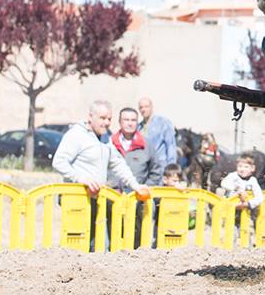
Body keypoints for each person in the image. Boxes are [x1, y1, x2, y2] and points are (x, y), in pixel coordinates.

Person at [52, 101, 150, 251]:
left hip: (97, 199)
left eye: (109, 119)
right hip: (77, 200)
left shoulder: (105, 139)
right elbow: (59, 162)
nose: (107, 122)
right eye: (102, 118)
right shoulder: (76, 135)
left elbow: (118, 163)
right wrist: (81, 179)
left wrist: (135, 185)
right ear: (90, 117)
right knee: (77, 245)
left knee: (98, 245)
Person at [110, 106, 163, 246]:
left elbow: (156, 169)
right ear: (119, 122)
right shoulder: (109, 143)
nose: (129, 123)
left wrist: (146, 187)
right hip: (112, 196)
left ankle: (138, 250)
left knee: (139, 226)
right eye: (126, 120)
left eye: (133, 120)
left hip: (138, 197)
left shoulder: (146, 145)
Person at [138, 97, 177, 168]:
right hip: (144, 167)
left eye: (146, 107)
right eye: (141, 107)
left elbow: (171, 145)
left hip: (161, 166)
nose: (143, 109)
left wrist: (171, 167)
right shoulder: (138, 127)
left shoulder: (163, 123)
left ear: (151, 107)